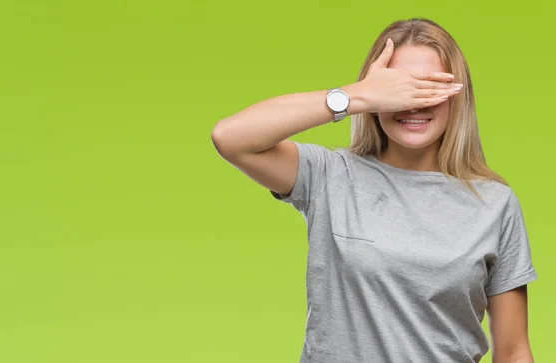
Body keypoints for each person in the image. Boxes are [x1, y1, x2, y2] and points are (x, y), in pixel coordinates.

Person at [210, 18, 537, 363]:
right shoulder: (329, 176)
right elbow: (230, 138)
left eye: (429, 88)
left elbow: (514, 351)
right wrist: (356, 95)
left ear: (458, 97)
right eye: (399, 89)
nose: (414, 104)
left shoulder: (495, 204)